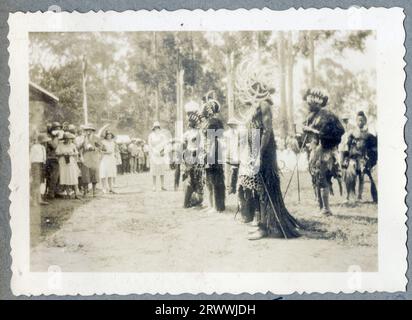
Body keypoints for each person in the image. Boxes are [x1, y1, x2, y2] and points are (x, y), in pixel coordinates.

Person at [237, 85, 300, 240]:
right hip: (254, 149)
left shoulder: (264, 105)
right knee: (256, 187)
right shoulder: (255, 106)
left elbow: (267, 130)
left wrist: (259, 152)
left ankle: (266, 226)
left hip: (264, 151)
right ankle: (260, 224)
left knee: (264, 188)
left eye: (252, 89)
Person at [302, 88, 345, 216]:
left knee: (323, 178)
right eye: (308, 103)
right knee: (316, 178)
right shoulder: (312, 116)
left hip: (325, 152)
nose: (308, 105)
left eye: (310, 103)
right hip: (315, 151)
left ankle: (326, 209)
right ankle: (321, 207)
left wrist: (315, 133)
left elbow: (340, 130)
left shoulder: (327, 115)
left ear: (317, 102)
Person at [201, 93, 225, 213]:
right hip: (211, 149)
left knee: (214, 178)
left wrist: (208, 153)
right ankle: (213, 205)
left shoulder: (213, 122)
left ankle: (216, 206)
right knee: (211, 178)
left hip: (213, 149)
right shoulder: (212, 121)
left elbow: (215, 137)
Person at [347, 111, 378, 203]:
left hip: (364, 160)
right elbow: (348, 147)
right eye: (358, 120)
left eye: (361, 120)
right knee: (351, 176)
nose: (359, 122)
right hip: (353, 159)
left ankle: (371, 198)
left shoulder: (369, 135)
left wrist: (370, 160)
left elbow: (374, 148)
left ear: (365, 121)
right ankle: (350, 196)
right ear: (356, 121)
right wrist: (348, 157)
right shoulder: (352, 133)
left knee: (366, 177)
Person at [182, 102, 204, 207]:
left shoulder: (198, 132)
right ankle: (187, 202)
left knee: (197, 178)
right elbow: (183, 146)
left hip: (196, 156)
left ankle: (193, 200)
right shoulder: (187, 134)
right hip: (190, 156)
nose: (190, 124)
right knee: (191, 178)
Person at [55, 132, 81, 199]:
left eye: (70, 139)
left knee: (73, 176)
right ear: (64, 139)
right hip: (63, 162)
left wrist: (72, 154)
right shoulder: (60, 145)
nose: (68, 140)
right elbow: (57, 153)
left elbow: (76, 153)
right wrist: (63, 153)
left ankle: (76, 193)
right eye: (67, 139)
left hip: (71, 162)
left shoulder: (73, 145)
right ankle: (68, 193)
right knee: (65, 177)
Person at [79, 124, 101, 197]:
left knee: (94, 175)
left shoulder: (96, 138)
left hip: (94, 158)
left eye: (89, 130)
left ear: (92, 131)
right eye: (86, 130)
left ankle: (94, 192)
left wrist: (94, 149)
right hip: (85, 159)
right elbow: (79, 147)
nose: (88, 131)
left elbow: (101, 148)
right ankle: (85, 192)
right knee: (85, 176)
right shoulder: (83, 138)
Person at [30, 133, 50, 205]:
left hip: (41, 164)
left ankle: (39, 199)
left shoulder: (43, 147)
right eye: (44, 141)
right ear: (41, 141)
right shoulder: (34, 147)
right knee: (36, 182)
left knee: (40, 183)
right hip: (35, 164)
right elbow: (31, 158)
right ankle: (34, 200)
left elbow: (44, 158)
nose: (46, 143)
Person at [45, 121, 63, 199]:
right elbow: (54, 146)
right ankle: (51, 193)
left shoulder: (56, 137)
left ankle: (56, 192)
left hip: (56, 158)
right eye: (57, 128)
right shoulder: (49, 137)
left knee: (57, 176)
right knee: (53, 176)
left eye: (59, 128)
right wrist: (56, 137)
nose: (58, 130)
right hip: (50, 158)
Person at [148, 121, 168, 191]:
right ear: (153, 128)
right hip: (154, 155)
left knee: (162, 171)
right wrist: (153, 152)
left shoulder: (162, 136)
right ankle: (154, 186)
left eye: (158, 127)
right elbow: (150, 146)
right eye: (155, 127)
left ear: (159, 128)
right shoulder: (151, 135)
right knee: (154, 172)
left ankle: (162, 185)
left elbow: (165, 145)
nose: (156, 129)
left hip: (161, 155)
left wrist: (163, 152)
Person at [225, 118, 242, 195]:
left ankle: (233, 187)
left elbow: (240, 144)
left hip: (236, 155)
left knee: (235, 171)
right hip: (228, 154)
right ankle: (229, 187)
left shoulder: (238, 133)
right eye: (231, 125)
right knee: (228, 172)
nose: (233, 126)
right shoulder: (226, 134)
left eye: (234, 125)